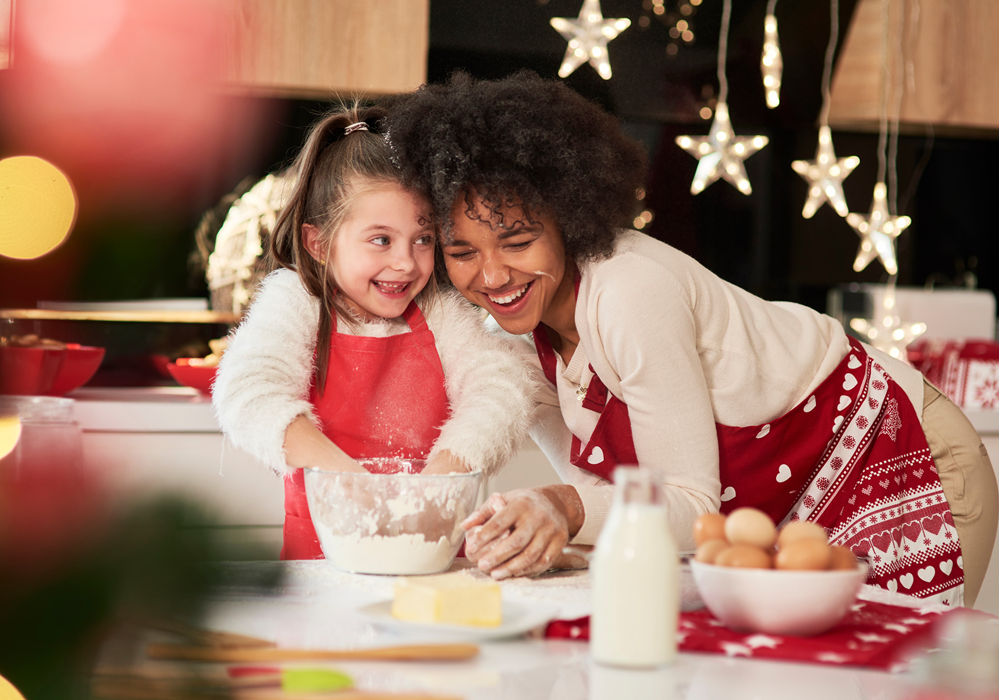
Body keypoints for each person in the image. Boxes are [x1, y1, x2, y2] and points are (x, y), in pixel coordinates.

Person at [384, 70, 998, 607]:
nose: (491, 276)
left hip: (900, 458)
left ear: (568, 220)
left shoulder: (629, 292)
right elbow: (609, 497)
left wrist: (563, 509)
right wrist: (548, 525)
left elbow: (686, 504)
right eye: (462, 252)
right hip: (781, 514)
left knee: (903, 676)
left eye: (518, 242)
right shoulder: (523, 342)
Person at [212, 104, 535, 561]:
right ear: (319, 243)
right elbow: (248, 392)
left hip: (433, 548)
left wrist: (441, 478)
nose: (406, 262)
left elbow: (500, 388)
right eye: (381, 239)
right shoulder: (299, 300)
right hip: (323, 559)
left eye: (422, 239)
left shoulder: (437, 309)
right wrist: (349, 482)